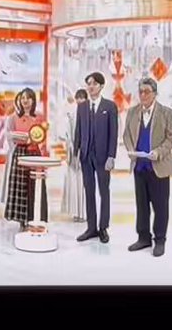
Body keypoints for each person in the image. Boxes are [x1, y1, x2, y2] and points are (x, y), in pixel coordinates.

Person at [123, 76, 172, 257]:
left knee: (160, 206)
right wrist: (131, 150)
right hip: (139, 167)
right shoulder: (132, 112)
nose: (143, 95)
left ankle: (160, 240)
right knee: (142, 205)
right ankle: (143, 237)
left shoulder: (166, 113)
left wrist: (159, 152)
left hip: (158, 167)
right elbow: (127, 135)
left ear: (155, 93)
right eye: (141, 92)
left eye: (147, 92)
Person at [76, 72, 118, 244]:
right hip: (86, 155)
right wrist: (76, 153)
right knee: (89, 191)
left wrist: (111, 156)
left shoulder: (110, 106)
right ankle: (91, 227)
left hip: (102, 156)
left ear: (101, 86)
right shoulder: (82, 107)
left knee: (104, 191)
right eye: (88, 84)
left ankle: (103, 228)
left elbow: (113, 133)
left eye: (94, 83)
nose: (90, 86)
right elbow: (78, 131)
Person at [3, 88, 49, 228]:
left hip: (34, 153)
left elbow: (42, 136)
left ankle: (35, 217)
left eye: (28, 98)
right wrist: (16, 138)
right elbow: (8, 135)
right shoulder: (14, 117)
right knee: (20, 186)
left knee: (35, 185)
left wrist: (35, 140)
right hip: (20, 153)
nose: (25, 101)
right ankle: (21, 220)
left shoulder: (39, 117)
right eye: (23, 98)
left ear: (33, 100)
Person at [60, 89, 88, 223]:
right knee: (75, 182)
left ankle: (84, 213)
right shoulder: (72, 114)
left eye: (82, 98)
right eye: (78, 98)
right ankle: (76, 212)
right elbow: (66, 134)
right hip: (73, 153)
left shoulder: (89, 114)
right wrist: (71, 150)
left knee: (83, 184)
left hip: (85, 154)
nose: (80, 100)